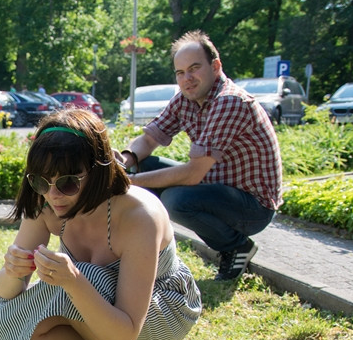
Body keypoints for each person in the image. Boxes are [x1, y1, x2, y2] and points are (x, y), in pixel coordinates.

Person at [0, 109, 202, 340]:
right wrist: (12, 271)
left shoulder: (138, 213)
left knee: (85, 278)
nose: (53, 194)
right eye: (40, 181)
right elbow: (7, 297)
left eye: (68, 183)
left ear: (98, 171)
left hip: (162, 311)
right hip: (102, 313)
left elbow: (127, 331)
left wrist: (74, 281)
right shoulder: (45, 203)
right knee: (6, 323)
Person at [119, 30, 282, 280]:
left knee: (176, 200)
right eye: (180, 72)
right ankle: (142, 247)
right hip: (217, 188)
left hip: (252, 206)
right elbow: (150, 138)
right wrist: (125, 160)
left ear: (215, 66)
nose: (187, 78)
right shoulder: (186, 98)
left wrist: (127, 182)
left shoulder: (229, 101)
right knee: (142, 164)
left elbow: (193, 174)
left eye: (194, 68)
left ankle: (237, 246)